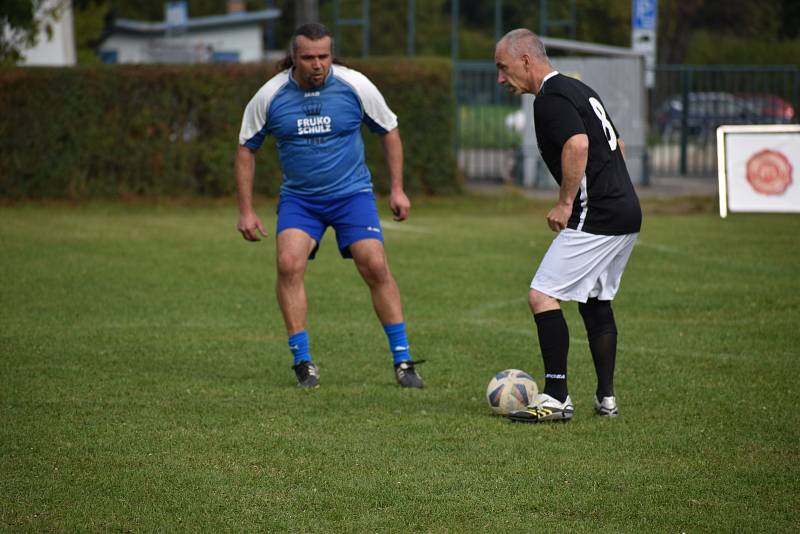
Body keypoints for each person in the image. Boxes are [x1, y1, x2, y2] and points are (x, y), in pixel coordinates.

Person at [235, 23, 423, 389]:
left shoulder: (355, 85)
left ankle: (403, 361)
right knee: (288, 263)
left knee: (375, 263)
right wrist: (245, 209)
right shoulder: (270, 95)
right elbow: (246, 149)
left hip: (352, 195)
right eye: (308, 58)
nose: (317, 64)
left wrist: (397, 189)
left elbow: (389, 130)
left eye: (323, 56)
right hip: (301, 200)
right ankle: (303, 361)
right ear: (294, 57)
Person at [494, 29, 642, 422]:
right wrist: (614, 188)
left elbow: (577, 144)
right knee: (596, 299)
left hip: (599, 213)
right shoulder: (580, 90)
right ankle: (606, 397)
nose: (500, 78)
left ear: (525, 60)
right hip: (625, 210)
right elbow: (619, 146)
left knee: (542, 295)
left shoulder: (550, 99)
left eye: (502, 67)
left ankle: (557, 397)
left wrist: (565, 203)